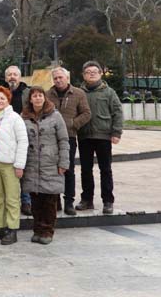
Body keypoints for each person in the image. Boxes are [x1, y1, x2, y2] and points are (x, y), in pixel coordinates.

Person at [21, 86, 70, 244]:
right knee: (35, 200)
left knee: (49, 200)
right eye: (34, 96)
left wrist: (64, 162)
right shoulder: (24, 117)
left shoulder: (55, 116)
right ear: (30, 99)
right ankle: (37, 230)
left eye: (40, 95)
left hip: (50, 163)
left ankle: (47, 231)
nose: (37, 98)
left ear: (44, 97)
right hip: (32, 164)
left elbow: (63, 140)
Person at [76, 61, 123, 215]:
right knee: (85, 170)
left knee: (106, 170)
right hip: (84, 136)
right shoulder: (78, 93)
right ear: (83, 75)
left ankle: (108, 201)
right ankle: (86, 199)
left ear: (100, 74)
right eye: (88, 72)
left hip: (103, 136)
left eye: (94, 72)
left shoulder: (109, 92)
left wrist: (116, 132)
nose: (91, 74)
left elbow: (117, 112)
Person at [0, 86, 28, 245]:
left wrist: (19, 165)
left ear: (8, 100)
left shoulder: (14, 118)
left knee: (12, 197)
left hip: (9, 162)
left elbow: (23, 141)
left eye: (2, 98)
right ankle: (0, 226)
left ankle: (12, 228)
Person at [46, 67, 91, 216]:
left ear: (67, 78)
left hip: (69, 137)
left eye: (61, 77)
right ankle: (56, 200)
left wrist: (73, 123)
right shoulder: (47, 95)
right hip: (51, 138)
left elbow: (86, 113)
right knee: (52, 170)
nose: (58, 80)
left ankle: (69, 201)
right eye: (55, 78)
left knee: (68, 169)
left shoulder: (78, 93)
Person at [1, 65, 32, 216]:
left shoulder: (28, 92)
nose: (12, 77)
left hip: (23, 134)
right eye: (9, 75)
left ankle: (26, 201)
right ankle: (8, 202)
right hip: (5, 136)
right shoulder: (0, 92)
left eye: (15, 74)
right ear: (6, 77)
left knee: (23, 169)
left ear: (20, 77)